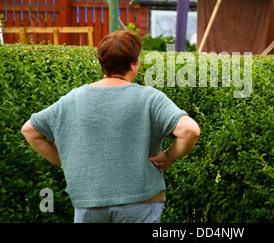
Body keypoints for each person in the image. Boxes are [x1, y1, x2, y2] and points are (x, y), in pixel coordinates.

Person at [21, 30, 200, 223]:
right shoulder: (150, 98)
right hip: (141, 199)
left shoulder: (73, 99)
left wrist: (66, 161)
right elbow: (190, 130)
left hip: (89, 201)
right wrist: (169, 157)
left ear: (102, 64)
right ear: (133, 64)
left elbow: (30, 130)